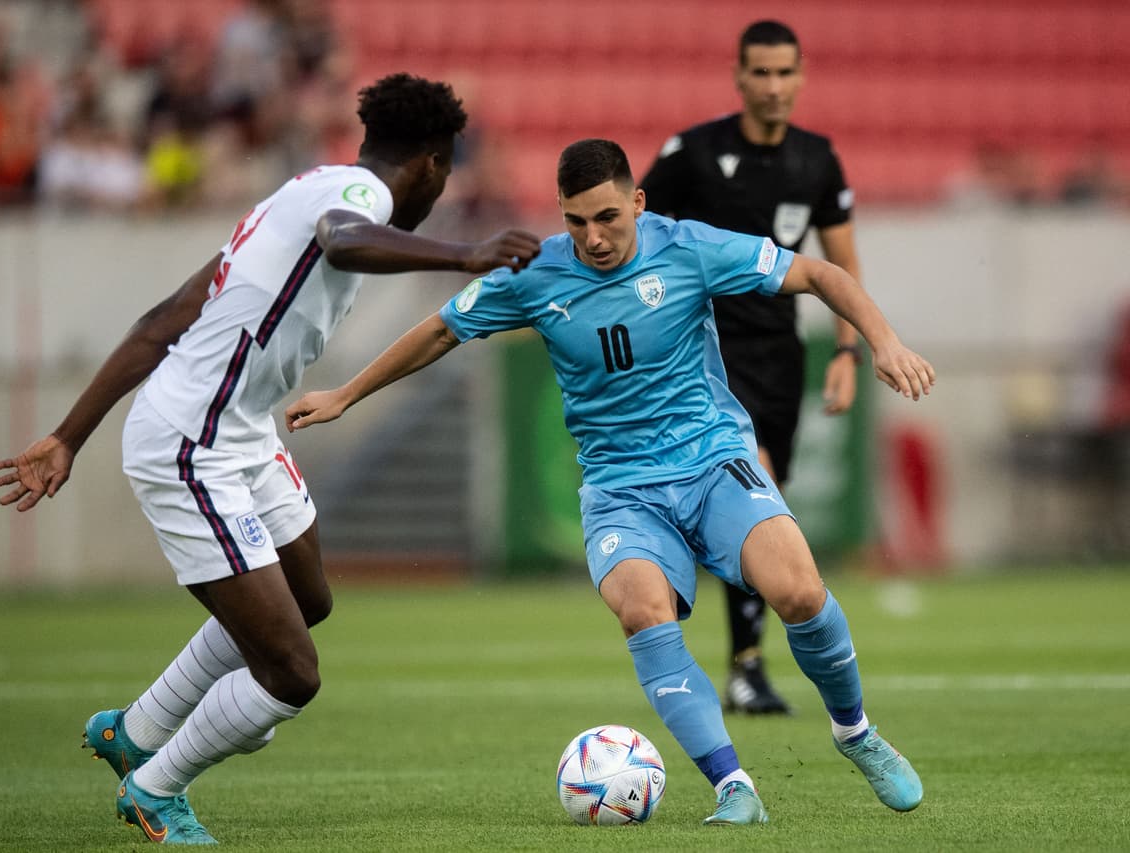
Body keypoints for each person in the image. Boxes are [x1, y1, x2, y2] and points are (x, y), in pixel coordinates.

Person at [285, 139, 932, 824]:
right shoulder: (534, 274)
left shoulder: (687, 247)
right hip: (620, 487)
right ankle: (733, 785)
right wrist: (346, 394)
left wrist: (882, 342)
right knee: (643, 610)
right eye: (575, 221)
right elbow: (442, 330)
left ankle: (856, 733)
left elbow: (821, 275)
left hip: (711, 460)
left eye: (608, 218)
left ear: (638, 203)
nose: (593, 237)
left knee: (800, 591)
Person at [0, 73, 541, 845]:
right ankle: (156, 786)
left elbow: (164, 321)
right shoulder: (355, 205)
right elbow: (343, 240)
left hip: (241, 430)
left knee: (308, 599)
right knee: (292, 671)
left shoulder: (301, 193)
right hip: (191, 441)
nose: (442, 187)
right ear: (429, 162)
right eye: (444, 172)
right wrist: (464, 253)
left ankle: (138, 727)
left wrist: (68, 435)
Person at [639, 20, 862, 714]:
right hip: (704, 355)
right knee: (753, 483)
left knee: (764, 506)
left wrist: (849, 350)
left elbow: (843, 264)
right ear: (738, 77)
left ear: (801, 77)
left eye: (784, 73)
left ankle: (741, 663)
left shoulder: (817, 161)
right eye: (759, 73)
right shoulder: (692, 155)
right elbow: (634, 232)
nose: (772, 86)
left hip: (779, 355)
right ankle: (744, 667)